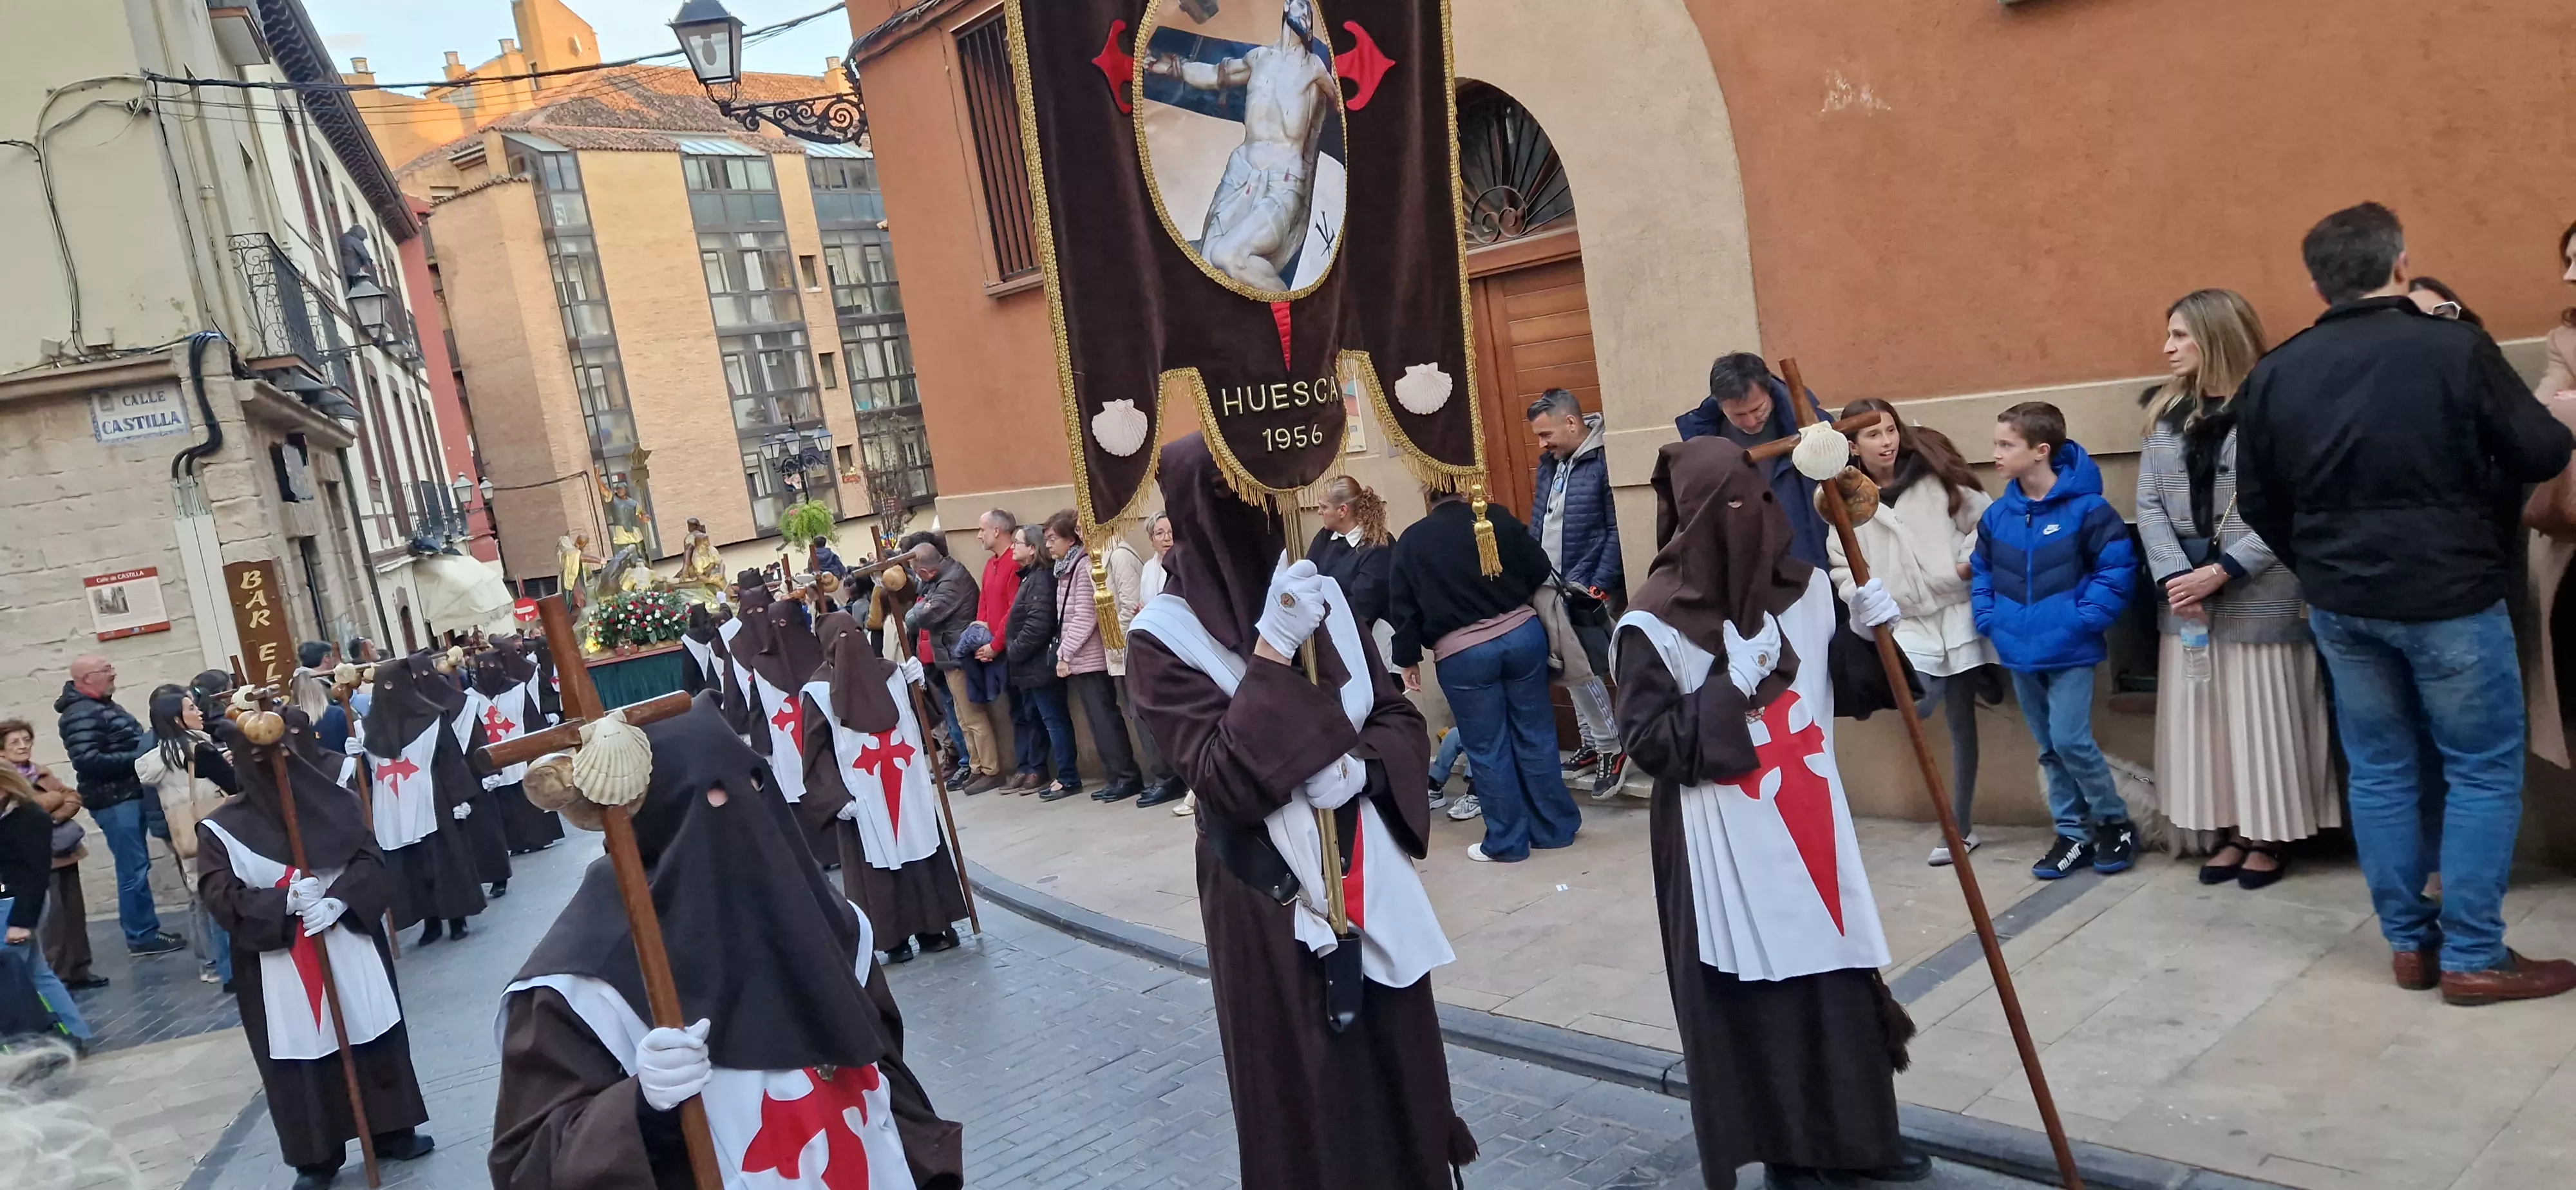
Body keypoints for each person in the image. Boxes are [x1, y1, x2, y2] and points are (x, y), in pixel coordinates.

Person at [2236, 202, 2576, 1004]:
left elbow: (2257, 501)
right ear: (2399, 264)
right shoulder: (2450, 347)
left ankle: (2410, 949)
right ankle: (2472, 954)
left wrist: (2319, 565)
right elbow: (2542, 446)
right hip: (2450, 594)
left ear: (2318, 282)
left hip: (2341, 605)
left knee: (2382, 773)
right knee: (2482, 773)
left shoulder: (2276, 372)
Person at [1126, 435, 1475, 1190]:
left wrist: (1363, 769)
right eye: (1231, 505)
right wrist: (1273, 655)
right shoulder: (1161, 639)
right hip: (1267, 901)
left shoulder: (1324, 595)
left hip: (1365, 867)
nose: (1254, 523)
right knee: (1312, 1080)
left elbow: (1395, 718)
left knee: (1398, 1055)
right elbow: (1219, 776)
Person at [1612, 436, 1924, 1189]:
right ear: (1688, 518)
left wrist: (1870, 630)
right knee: (1758, 993)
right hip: (1715, 840)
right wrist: (1728, 687)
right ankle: (1787, 1150)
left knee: (1836, 980)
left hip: (1811, 819)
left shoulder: (1809, 590)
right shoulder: (1652, 622)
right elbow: (1649, 744)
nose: (1744, 519)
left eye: (1751, 499)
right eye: (1722, 506)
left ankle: (1859, 1139)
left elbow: (1853, 693)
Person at [489, 697, 963, 1190]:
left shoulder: (829, 920)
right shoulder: (581, 978)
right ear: (660, 812)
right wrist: (638, 1109)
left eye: (757, 783)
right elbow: (530, 1164)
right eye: (714, 792)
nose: (746, 802)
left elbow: (884, 1069)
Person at [2132, 289, 2340, 888]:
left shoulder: (2274, 405)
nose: (2167, 348)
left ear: (2215, 334)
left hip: (2263, 588)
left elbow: (2291, 502)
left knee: (2264, 713)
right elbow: (2149, 505)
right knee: (2211, 722)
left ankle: (2268, 832)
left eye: (2179, 335)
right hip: (2188, 601)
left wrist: (2225, 570)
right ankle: (2228, 826)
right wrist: (2178, 576)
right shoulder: (2164, 412)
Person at [200, 711, 434, 1189]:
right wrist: (279, 901)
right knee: (303, 1048)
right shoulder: (221, 828)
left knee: (369, 1028)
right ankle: (317, 1157)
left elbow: (371, 859)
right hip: (280, 960)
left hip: (346, 937)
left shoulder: (338, 805)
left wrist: (339, 899)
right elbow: (218, 894)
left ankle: (392, 1129)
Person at [1973, 401, 2140, 880]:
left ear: (2041, 451)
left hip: (2071, 649)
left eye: (2007, 445)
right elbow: (1982, 571)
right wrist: (1991, 619)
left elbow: (2116, 570)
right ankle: (2072, 834)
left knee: (2072, 740)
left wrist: (2080, 620)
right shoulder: (1999, 515)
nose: (1996, 454)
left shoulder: (2089, 510)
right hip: (2018, 652)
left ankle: (2114, 822)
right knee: (2048, 747)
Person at [1829, 399, 1998, 865]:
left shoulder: (1935, 474)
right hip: (1904, 625)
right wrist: (1863, 597)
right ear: (1852, 445)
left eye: (1890, 430)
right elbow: (1842, 564)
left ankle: (1959, 830)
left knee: (1962, 726)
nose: (1886, 442)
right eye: (1873, 435)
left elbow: (1985, 523)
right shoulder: (1844, 498)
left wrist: (1966, 565)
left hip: (1956, 612)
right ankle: (1986, 684)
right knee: (1919, 706)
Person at [1390, 487, 1580, 862]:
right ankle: (1555, 829)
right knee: (1536, 735)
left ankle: (1508, 843)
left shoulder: (1412, 540)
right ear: (1463, 488)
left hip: (1464, 654)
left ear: (1427, 495)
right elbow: (1540, 568)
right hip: (1523, 637)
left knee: (1487, 747)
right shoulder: (1492, 516)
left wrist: (1408, 660)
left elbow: (1404, 608)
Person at [801, 611, 969, 965]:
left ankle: (932, 928)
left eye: (857, 634)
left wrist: (920, 686)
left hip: (906, 783)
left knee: (920, 848)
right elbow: (814, 755)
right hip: (861, 797)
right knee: (876, 868)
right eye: (841, 639)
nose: (852, 644)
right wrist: (836, 798)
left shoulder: (893, 675)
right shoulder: (818, 692)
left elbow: (928, 719)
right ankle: (892, 939)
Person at [1526, 390, 1627, 792]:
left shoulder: (1603, 461)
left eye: (1546, 433)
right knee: (1569, 668)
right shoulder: (1550, 464)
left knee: (1584, 667)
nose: (1542, 443)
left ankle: (1612, 746)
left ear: (1572, 423)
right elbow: (1540, 518)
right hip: (1550, 581)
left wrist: (1598, 584)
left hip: (1584, 583)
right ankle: (1590, 741)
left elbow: (1616, 528)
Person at [53, 655, 183, 956]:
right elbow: (87, 761)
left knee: (136, 866)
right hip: (113, 800)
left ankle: (145, 929)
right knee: (133, 868)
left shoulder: (101, 705)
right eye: (106, 670)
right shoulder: (80, 713)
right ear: (86, 679)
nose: (113, 673)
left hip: (125, 795)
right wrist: (140, 759)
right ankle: (141, 936)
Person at [359, 654, 486, 945]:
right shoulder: (368, 731)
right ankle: (429, 921)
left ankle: (456, 918)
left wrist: (459, 799)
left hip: (433, 801)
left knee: (443, 861)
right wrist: (354, 757)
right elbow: (367, 777)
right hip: (392, 806)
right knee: (411, 867)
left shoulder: (432, 718)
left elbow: (449, 760)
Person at [1678, 354, 1835, 567]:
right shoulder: (1704, 441)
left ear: (1768, 391)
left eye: (1757, 409)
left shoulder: (1815, 424)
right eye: (1739, 415)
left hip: (1809, 552)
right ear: (1720, 404)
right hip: (1746, 559)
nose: (1751, 422)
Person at [137, 685, 239, 985]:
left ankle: (214, 965)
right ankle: (233, 970)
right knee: (224, 898)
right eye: (191, 708)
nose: (200, 713)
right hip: (217, 829)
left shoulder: (158, 758)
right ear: (178, 720)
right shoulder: (200, 749)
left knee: (203, 899)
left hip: (187, 835)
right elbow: (233, 784)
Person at [1046, 511, 1146, 802]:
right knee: (1097, 719)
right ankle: (1116, 776)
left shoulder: (1086, 565)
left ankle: (1126, 776)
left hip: (1091, 655)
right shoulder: (1070, 566)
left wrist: (1065, 652)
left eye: (1054, 539)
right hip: (1081, 657)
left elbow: (1085, 616)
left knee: (1105, 718)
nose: (1049, 545)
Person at [0, 764, 93, 1047]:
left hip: (16, 906)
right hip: (12, 904)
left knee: (16, 978)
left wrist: (22, 922)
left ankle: (43, 1038)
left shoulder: (28, 817)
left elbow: (37, 874)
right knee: (39, 974)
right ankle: (74, 1034)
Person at [5, 721, 97, 991]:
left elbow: (72, 797)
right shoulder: (7, 778)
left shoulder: (40, 773)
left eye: (26, 740)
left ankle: (79, 968)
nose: (23, 746)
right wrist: (51, 803)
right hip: (41, 857)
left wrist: (51, 815)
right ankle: (56, 973)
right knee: (53, 918)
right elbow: (30, 806)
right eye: (15, 742)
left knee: (74, 913)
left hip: (65, 850)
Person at [907, 542, 1001, 793]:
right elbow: (921, 607)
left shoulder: (951, 582)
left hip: (959, 656)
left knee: (973, 716)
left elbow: (925, 616)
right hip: (949, 654)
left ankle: (990, 769)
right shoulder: (940, 578)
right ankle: (976, 765)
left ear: (926, 571)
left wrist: (920, 607)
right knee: (962, 717)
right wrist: (922, 605)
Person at [1104, 524, 1184, 808]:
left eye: (1170, 532)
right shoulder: (1152, 567)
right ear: (1150, 539)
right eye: (1159, 533)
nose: (1166, 538)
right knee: (1141, 714)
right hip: (1150, 647)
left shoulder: (1185, 562)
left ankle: (1177, 776)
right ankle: (1164, 775)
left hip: (1174, 648)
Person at [1004, 526, 1082, 800]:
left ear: (1032, 549)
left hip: (1039, 665)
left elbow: (1037, 626)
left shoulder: (1039, 580)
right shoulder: (1031, 578)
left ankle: (1068, 777)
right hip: (1031, 667)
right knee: (1046, 720)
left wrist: (1012, 650)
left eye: (1018, 543)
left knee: (1054, 721)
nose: (1013, 547)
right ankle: (1062, 774)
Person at [428, 661, 513, 899]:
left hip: (473, 771)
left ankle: (498, 876)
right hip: (446, 779)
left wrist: (489, 772)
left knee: (485, 829)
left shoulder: (465, 706)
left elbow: (478, 737)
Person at [469, 645, 563, 856]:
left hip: (520, 749)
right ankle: (515, 842)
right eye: (481, 668)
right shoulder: (470, 697)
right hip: (492, 755)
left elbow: (531, 720)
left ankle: (539, 837)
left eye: (491, 666)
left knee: (527, 793)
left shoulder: (518, 690)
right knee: (505, 801)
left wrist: (536, 750)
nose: (487, 672)